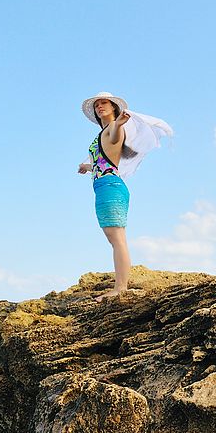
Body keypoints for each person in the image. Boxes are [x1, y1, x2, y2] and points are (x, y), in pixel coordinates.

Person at [77, 92, 173, 302]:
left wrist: (119, 123)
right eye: (97, 105)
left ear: (113, 108)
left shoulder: (113, 128)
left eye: (104, 103)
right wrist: (87, 166)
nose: (100, 107)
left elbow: (114, 137)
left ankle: (120, 288)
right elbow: (105, 160)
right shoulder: (101, 134)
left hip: (111, 187)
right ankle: (119, 285)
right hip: (104, 186)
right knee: (114, 238)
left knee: (117, 239)